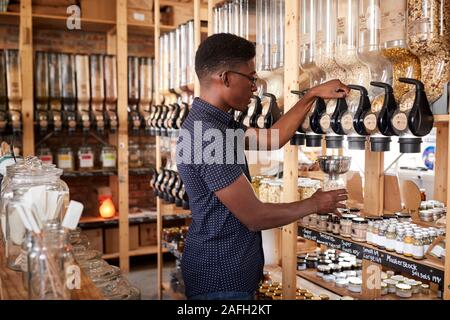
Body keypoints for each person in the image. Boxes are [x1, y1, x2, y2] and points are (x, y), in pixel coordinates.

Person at [176, 33, 350, 300]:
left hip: (225, 272)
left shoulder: (216, 123)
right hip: (221, 279)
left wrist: (311, 95)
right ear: (226, 78)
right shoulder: (208, 135)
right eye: (251, 78)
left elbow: (273, 139)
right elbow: (255, 216)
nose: (255, 87)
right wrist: (316, 204)